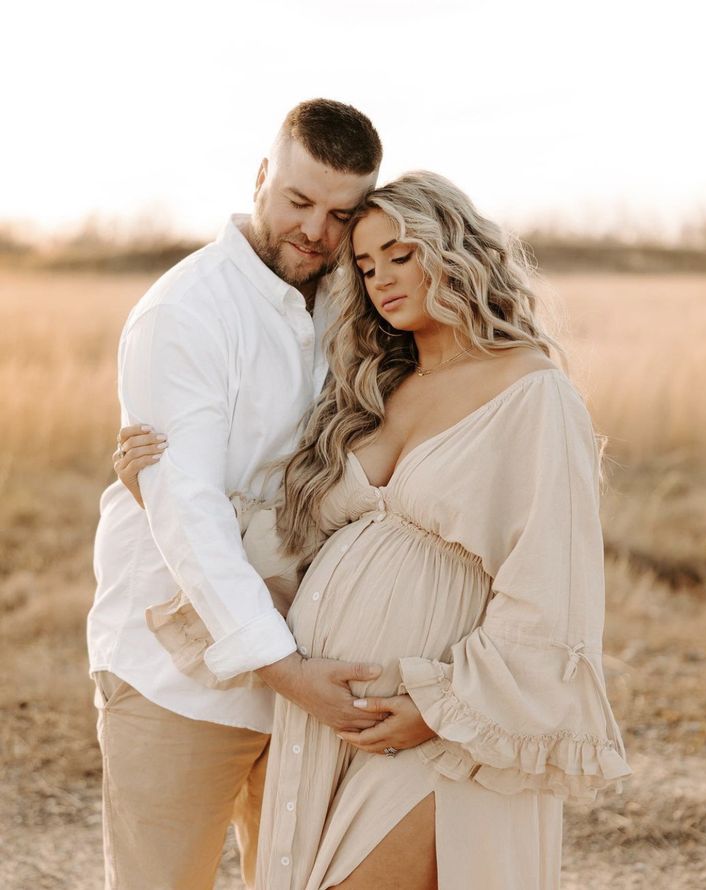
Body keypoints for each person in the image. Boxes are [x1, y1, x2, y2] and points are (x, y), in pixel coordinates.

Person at [116, 171, 631, 889]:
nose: (382, 278)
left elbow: (551, 585)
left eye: (400, 253)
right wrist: (160, 492)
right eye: (364, 265)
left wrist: (443, 707)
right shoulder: (382, 387)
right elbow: (303, 547)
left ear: (452, 248)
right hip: (334, 719)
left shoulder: (532, 390)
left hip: (435, 718)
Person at [88, 98, 386, 890]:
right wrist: (288, 672)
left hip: (308, 669)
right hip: (177, 675)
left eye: (340, 213)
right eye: (297, 200)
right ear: (261, 177)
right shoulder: (186, 312)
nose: (317, 231)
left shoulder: (355, 304)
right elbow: (188, 517)